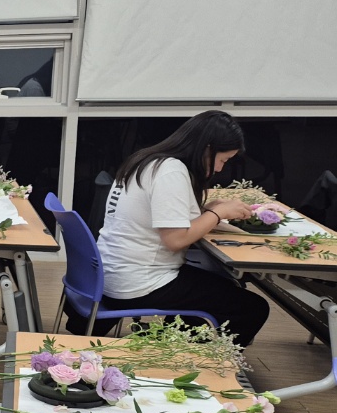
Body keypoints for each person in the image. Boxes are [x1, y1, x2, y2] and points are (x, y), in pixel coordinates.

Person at [74, 110, 270, 345]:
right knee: (253, 307)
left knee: (218, 286)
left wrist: (205, 209)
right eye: (223, 160)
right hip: (137, 283)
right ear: (207, 149)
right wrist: (218, 214)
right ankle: (207, 361)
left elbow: (156, 212)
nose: (220, 168)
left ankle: (174, 345)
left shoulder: (147, 160)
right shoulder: (171, 172)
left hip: (109, 273)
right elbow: (175, 240)